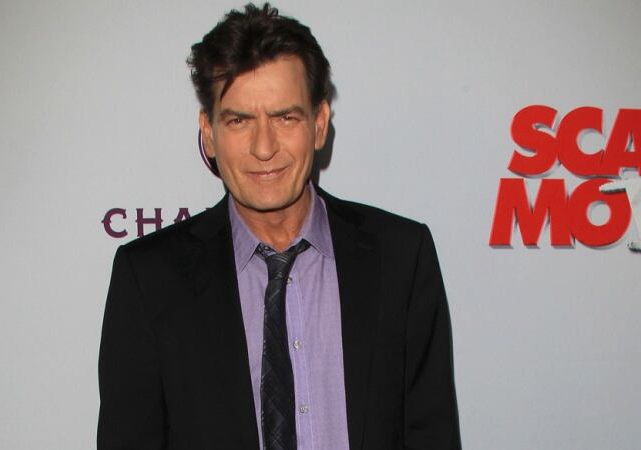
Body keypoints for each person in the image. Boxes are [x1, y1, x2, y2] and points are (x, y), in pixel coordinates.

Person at [97, 3, 460, 449]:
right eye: (239, 121)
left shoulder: (401, 257)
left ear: (319, 124)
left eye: (285, 117)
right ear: (208, 132)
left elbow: (432, 435)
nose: (264, 147)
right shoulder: (149, 279)